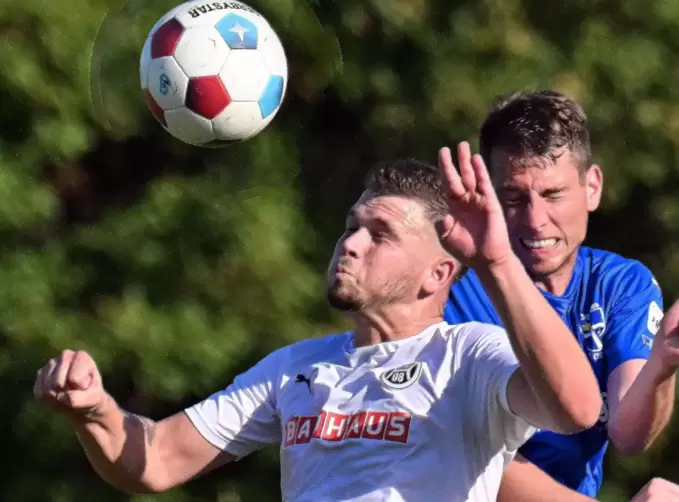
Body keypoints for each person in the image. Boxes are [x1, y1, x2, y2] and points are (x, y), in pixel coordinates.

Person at [34, 158, 605, 501]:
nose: (351, 243)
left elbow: (576, 407)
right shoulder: (296, 368)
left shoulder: (468, 356)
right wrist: (97, 412)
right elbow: (156, 461)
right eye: (351, 226)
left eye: (379, 234)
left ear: (438, 273)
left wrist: (499, 264)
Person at [443, 91, 679, 500]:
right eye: (514, 198)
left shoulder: (620, 283)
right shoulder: (454, 296)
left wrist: (664, 363)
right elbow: (469, 455)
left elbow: (628, 436)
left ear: (592, 187)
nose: (536, 221)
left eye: (553, 195)